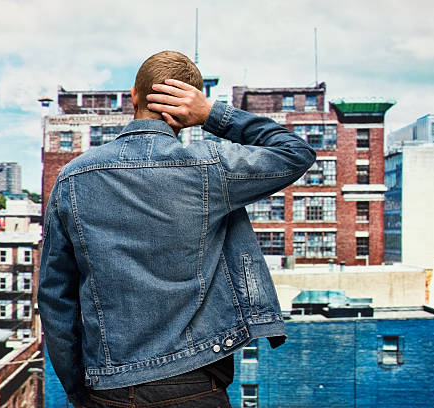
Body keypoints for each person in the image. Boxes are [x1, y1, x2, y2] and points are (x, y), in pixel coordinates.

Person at [39, 50, 316, 407]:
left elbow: (54, 297)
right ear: (187, 113)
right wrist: (213, 114)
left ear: (134, 95)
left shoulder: (73, 177)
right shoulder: (209, 168)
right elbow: (296, 152)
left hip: (109, 386)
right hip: (194, 381)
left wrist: (79, 388)